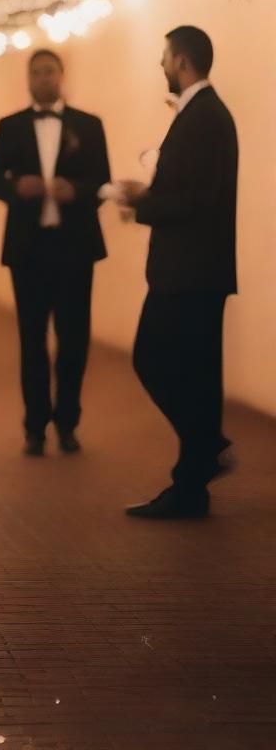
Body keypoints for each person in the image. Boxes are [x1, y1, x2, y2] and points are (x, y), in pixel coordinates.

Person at [115, 26, 237, 519]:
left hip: (188, 272)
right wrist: (147, 194)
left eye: (165, 58)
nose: (162, 67)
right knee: (199, 374)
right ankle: (190, 488)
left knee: (152, 357)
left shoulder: (204, 116)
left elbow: (196, 199)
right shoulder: (205, 114)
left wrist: (141, 203)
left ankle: (206, 447)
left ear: (182, 61)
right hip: (199, 270)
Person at [0, 49, 111, 456]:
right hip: (28, 250)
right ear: (28, 79)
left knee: (74, 340)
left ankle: (68, 423)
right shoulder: (11, 126)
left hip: (75, 247)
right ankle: (34, 427)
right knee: (32, 340)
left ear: (61, 75)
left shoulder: (89, 126)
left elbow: (101, 180)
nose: (43, 78)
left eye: (49, 71)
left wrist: (78, 191)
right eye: (36, 73)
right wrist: (15, 186)